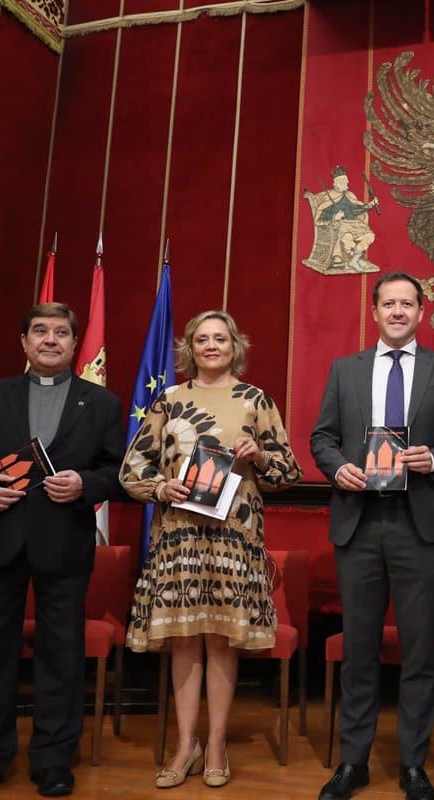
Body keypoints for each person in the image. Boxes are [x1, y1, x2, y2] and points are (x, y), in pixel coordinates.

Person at [0, 302, 125, 800]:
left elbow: (117, 472)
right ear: (23, 341)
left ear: (74, 343)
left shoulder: (102, 403)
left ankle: (53, 758)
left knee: (61, 654)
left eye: (61, 332)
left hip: (63, 542)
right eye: (40, 331)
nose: (50, 340)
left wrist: (85, 484)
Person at [310, 271, 434, 800]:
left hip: (418, 522)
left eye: (408, 304)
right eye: (389, 304)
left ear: (422, 312)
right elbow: (321, 438)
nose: (398, 311)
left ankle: (412, 765)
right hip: (359, 521)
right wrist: (337, 467)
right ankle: (353, 762)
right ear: (375, 312)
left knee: (420, 650)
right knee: (358, 649)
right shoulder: (345, 369)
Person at [120, 310, 301, 789]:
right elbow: (132, 468)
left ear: (235, 346)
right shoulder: (169, 400)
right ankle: (186, 746)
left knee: (221, 639)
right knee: (184, 639)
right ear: (190, 348)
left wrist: (259, 455)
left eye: (220, 338)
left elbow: (288, 471)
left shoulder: (255, 400)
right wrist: (161, 487)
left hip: (234, 539)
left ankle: (217, 743)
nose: (212, 345)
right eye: (202, 339)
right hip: (178, 537)